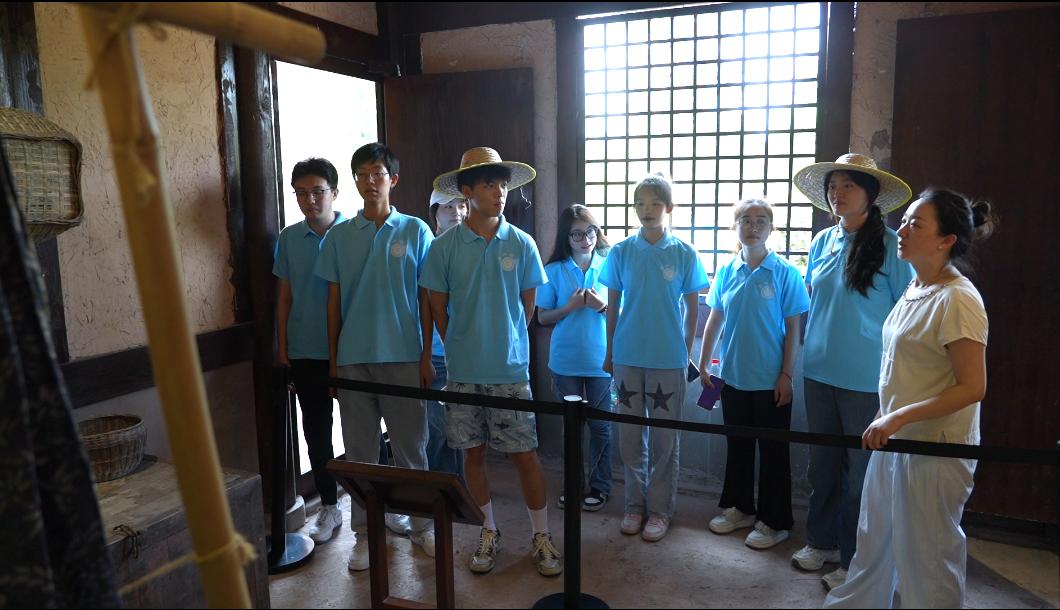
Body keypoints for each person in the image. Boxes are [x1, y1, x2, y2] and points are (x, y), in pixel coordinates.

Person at [825, 188, 993, 608]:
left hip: (934, 446)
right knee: (875, 539)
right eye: (904, 221)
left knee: (928, 555)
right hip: (896, 437)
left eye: (915, 225)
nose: (901, 230)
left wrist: (897, 417)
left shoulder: (958, 299)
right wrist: (890, 418)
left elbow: (972, 386)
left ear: (946, 240)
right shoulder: (917, 286)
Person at [419, 147, 561, 577]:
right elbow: (437, 308)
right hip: (463, 371)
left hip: (510, 370)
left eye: (502, 184)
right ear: (466, 192)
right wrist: (461, 344)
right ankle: (488, 530)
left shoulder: (521, 243)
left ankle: (541, 536)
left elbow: (528, 307)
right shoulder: (444, 247)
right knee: (473, 454)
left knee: (525, 454)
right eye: (487, 184)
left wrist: (505, 341)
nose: (499, 192)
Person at [790, 153, 914, 590]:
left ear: (870, 195)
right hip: (818, 371)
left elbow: (906, 315)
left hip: (865, 379)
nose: (837, 194)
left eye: (848, 186)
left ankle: (854, 556)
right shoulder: (822, 242)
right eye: (833, 186)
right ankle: (819, 541)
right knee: (821, 465)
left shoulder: (893, 247)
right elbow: (815, 301)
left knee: (861, 474)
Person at [314, 143, 435, 571]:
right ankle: (365, 536)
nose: (370, 181)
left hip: (404, 355)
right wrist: (334, 361)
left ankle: (421, 526)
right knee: (360, 453)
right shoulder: (339, 236)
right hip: (354, 359)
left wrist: (426, 354)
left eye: (378, 173)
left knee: (411, 449)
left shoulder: (416, 230)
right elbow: (333, 302)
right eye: (362, 174)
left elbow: (426, 299)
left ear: (393, 179)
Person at [600, 172, 709, 542]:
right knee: (629, 436)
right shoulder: (620, 252)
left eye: (655, 203)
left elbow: (693, 309)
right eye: (640, 204)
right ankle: (634, 505)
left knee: (665, 441)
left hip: (669, 359)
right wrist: (610, 352)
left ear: (669, 207)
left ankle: (660, 510)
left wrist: (686, 352)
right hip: (626, 358)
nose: (647, 210)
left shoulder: (684, 252)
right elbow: (612, 308)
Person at [698, 197, 809, 550]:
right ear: (735, 226)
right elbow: (714, 319)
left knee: (774, 452)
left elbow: (793, 328)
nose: (753, 227)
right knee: (738, 447)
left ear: (771, 228)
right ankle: (740, 508)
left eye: (761, 221)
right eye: (746, 220)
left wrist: (786, 375)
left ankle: (775, 522)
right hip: (732, 376)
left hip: (771, 380)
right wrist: (704, 364)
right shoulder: (727, 270)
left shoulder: (785, 273)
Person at [273, 157, 347, 544]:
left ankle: (380, 507)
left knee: (365, 432)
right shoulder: (289, 238)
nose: (310, 200)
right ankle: (330, 507)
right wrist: (283, 349)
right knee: (316, 433)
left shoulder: (353, 233)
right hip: (305, 349)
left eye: (318, 192)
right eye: (301, 194)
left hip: (352, 348)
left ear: (335, 192)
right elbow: (284, 297)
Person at [537, 204, 613, 512]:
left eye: (590, 231)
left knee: (601, 427)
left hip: (602, 360)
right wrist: (568, 308)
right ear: (566, 238)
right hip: (565, 361)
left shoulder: (610, 264)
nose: (585, 239)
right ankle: (572, 485)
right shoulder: (553, 270)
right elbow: (542, 317)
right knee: (572, 429)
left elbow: (624, 312)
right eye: (577, 234)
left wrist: (601, 307)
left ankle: (600, 486)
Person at [422, 188, 468, 479]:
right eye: (447, 207)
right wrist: (425, 353)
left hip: (464, 353)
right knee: (436, 427)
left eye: (460, 205)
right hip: (436, 353)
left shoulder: (470, 247)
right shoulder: (428, 248)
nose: (456, 212)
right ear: (435, 213)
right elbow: (423, 307)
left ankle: (457, 489)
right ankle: (437, 489)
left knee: (459, 429)